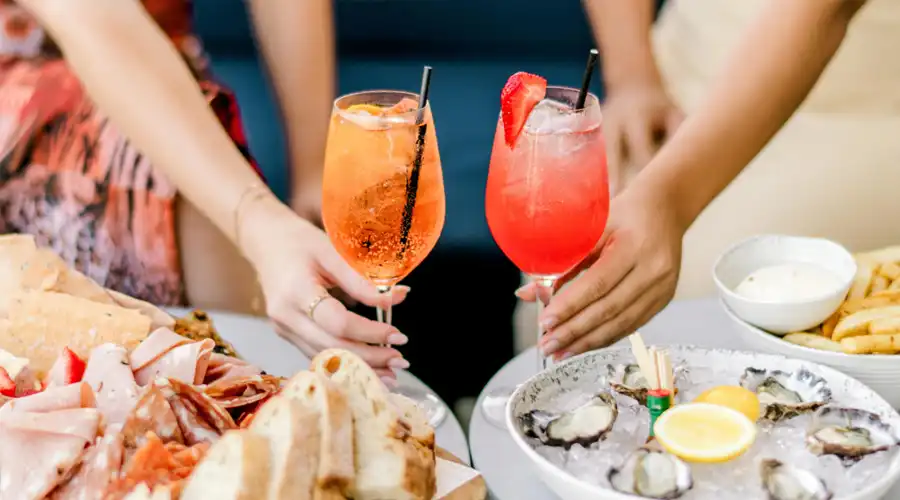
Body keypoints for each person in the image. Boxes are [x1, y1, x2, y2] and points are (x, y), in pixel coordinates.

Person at [11, 0, 408, 381]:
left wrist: (313, 173)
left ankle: (268, 400)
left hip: (161, 67)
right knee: (179, 187)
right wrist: (258, 220)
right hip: (30, 82)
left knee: (198, 186)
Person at [521, 0, 896, 358]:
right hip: (681, 68)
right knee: (562, 274)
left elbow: (828, 10)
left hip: (851, 107)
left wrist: (670, 199)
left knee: (720, 305)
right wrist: (633, 78)